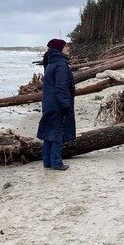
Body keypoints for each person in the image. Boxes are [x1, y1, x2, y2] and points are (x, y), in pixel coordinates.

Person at [36, 38, 76, 170]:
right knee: (58, 132)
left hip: (48, 103)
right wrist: (65, 105)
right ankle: (57, 162)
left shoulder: (50, 64)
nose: (68, 49)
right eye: (66, 47)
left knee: (49, 132)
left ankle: (47, 162)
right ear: (59, 49)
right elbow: (61, 87)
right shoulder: (61, 65)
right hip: (56, 104)